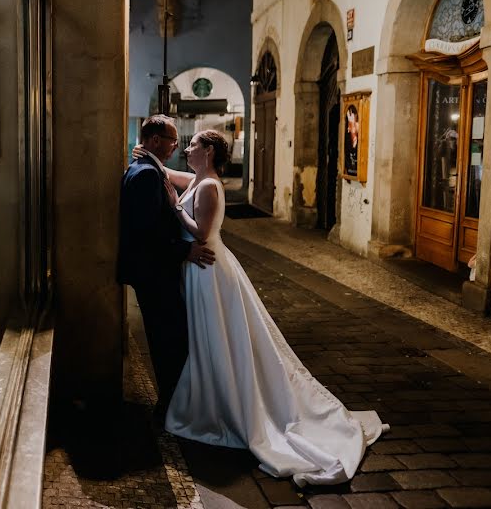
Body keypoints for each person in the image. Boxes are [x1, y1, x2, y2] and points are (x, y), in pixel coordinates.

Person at [144, 129, 388, 487]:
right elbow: (172, 176)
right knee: (214, 338)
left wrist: (175, 205)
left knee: (219, 337)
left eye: (193, 143)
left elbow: (201, 233)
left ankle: (232, 402)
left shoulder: (210, 187)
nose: (187, 148)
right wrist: (151, 159)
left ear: (208, 152)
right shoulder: (200, 178)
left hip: (208, 271)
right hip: (200, 272)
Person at [117, 114, 215, 424]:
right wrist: (185, 249)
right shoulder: (145, 174)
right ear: (156, 141)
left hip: (152, 271)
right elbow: (147, 233)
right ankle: (172, 408)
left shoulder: (145, 168)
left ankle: (173, 404)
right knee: (167, 342)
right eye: (173, 141)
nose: (176, 147)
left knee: (166, 340)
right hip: (154, 272)